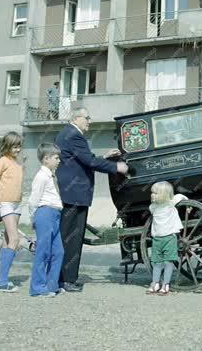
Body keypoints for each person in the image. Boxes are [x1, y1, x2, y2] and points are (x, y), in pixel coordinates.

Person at [55, 106, 128, 292]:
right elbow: (89, 162)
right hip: (76, 194)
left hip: (73, 193)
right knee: (72, 238)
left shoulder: (67, 134)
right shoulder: (74, 135)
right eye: (87, 117)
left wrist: (103, 158)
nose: (90, 121)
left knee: (69, 237)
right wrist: (117, 167)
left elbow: (84, 159)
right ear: (76, 118)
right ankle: (67, 280)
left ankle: (65, 278)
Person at [28, 143, 64, 297]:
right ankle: (37, 287)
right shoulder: (41, 176)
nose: (59, 161)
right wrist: (33, 218)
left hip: (55, 214)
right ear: (46, 159)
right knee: (43, 251)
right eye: (56, 158)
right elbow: (33, 200)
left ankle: (51, 285)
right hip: (45, 214)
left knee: (58, 252)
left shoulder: (50, 175)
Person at [0, 132, 24, 292]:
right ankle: (3, 282)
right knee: (15, 239)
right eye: (14, 146)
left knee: (7, 240)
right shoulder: (1, 162)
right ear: (7, 146)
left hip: (17, 204)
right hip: (5, 203)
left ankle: (2, 280)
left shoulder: (17, 164)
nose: (18, 149)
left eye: (19, 146)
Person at [147, 181, 188, 295]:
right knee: (156, 262)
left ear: (164, 195)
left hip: (169, 238)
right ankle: (155, 283)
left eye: (155, 193)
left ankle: (166, 284)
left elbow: (180, 196)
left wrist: (187, 204)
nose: (152, 195)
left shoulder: (170, 203)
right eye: (152, 192)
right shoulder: (153, 207)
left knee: (168, 262)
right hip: (157, 240)